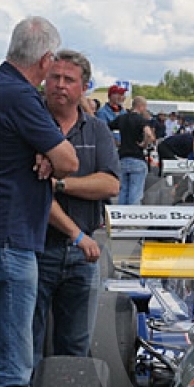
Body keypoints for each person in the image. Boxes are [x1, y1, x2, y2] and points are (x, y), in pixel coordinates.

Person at [0, 16, 79, 387]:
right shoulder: (20, 95)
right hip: (12, 239)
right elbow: (67, 160)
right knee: (12, 361)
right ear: (45, 61)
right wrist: (49, 156)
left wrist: (46, 155)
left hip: (3, 231)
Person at [32, 50, 120, 365]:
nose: (59, 85)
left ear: (82, 87)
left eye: (69, 80)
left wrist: (60, 184)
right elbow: (30, 194)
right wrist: (75, 232)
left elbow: (110, 185)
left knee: (74, 349)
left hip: (83, 256)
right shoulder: (30, 123)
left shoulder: (97, 130)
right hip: (35, 248)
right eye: (54, 77)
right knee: (26, 347)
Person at [109, 95, 155, 204]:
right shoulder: (141, 120)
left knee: (123, 192)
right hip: (137, 158)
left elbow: (106, 129)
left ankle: (121, 218)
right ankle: (133, 219)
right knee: (135, 194)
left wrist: (115, 142)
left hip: (123, 158)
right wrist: (144, 144)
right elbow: (149, 134)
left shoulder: (122, 118)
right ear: (141, 106)